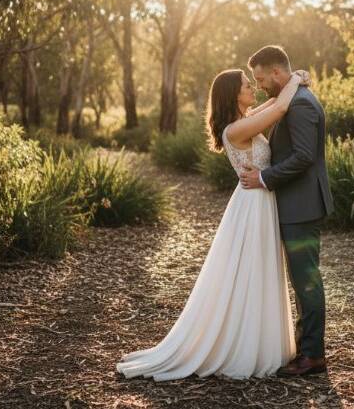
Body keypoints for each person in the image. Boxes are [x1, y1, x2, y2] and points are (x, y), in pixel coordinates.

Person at [116, 61, 310, 381]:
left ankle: (261, 339)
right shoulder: (235, 130)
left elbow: (275, 103)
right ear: (234, 95)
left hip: (258, 201)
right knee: (250, 272)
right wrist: (298, 78)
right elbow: (279, 110)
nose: (252, 88)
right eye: (247, 85)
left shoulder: (244, 120)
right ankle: (246, 345)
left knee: (258, 271)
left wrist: (294, 79)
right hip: (252, 206)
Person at [239, 44, 333, 377]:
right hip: (295, 204)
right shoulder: (292, 99)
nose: (261, 84)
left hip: (302, 207)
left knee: (306, 280)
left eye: (262, 78)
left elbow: (305, 156)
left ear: (278, 73)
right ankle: (305, 346)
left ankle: (313, 355)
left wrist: (264, 177)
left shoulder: (301, 105)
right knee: (301, 278)